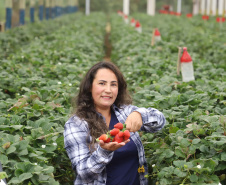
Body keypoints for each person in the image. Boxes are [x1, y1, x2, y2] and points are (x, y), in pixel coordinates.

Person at [64, 61, 166, 185]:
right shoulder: (76, 124)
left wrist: (140, 115)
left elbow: (160, 121)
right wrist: (104, 151)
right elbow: (83, 173)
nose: (108, 90)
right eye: (102, 83)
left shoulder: (125, 112)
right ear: (90, 87)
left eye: (113, 85)